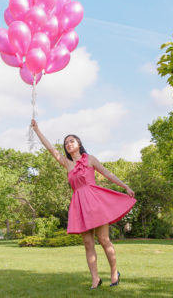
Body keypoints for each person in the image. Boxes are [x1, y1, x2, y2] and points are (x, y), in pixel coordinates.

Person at [31, 119, 136, 290]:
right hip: (79, 205)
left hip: (95, 203)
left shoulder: (90, 159)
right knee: (88, 243)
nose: (68, 144)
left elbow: (108, 174)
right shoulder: (67, 163)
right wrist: (37, 130)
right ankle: (95, 279)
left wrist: (125, 186)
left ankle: (114, 273)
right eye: (66, 143)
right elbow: (50, 148)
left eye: (71, 141)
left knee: (103, 239)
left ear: (79, 143)